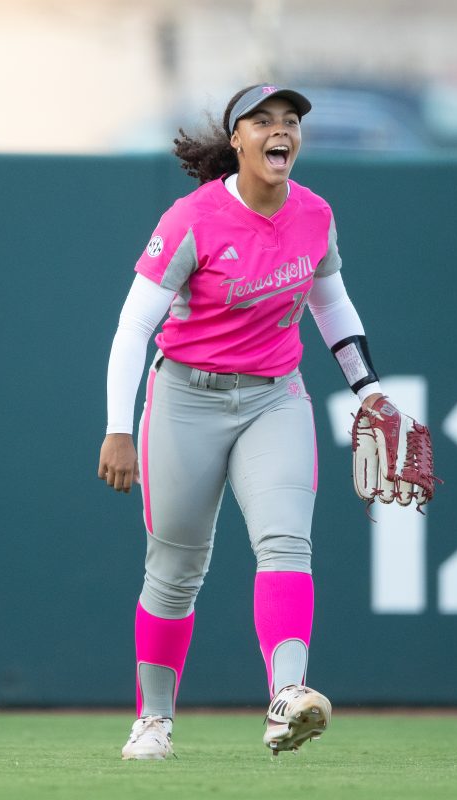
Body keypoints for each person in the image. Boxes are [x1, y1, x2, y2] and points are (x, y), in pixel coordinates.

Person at [98, 83, 393, 761]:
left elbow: (332, 305)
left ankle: (287, 699)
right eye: (263, 121)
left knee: (287, 544)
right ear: (236, 139)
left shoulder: (315, 214)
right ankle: (154, 719)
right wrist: (119, 426)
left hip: (273, 397)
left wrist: (369, 389)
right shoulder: (193, 217)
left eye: (290, 121)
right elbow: (133, 325)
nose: (279, 131)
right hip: (185, 399)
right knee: (174, 568)